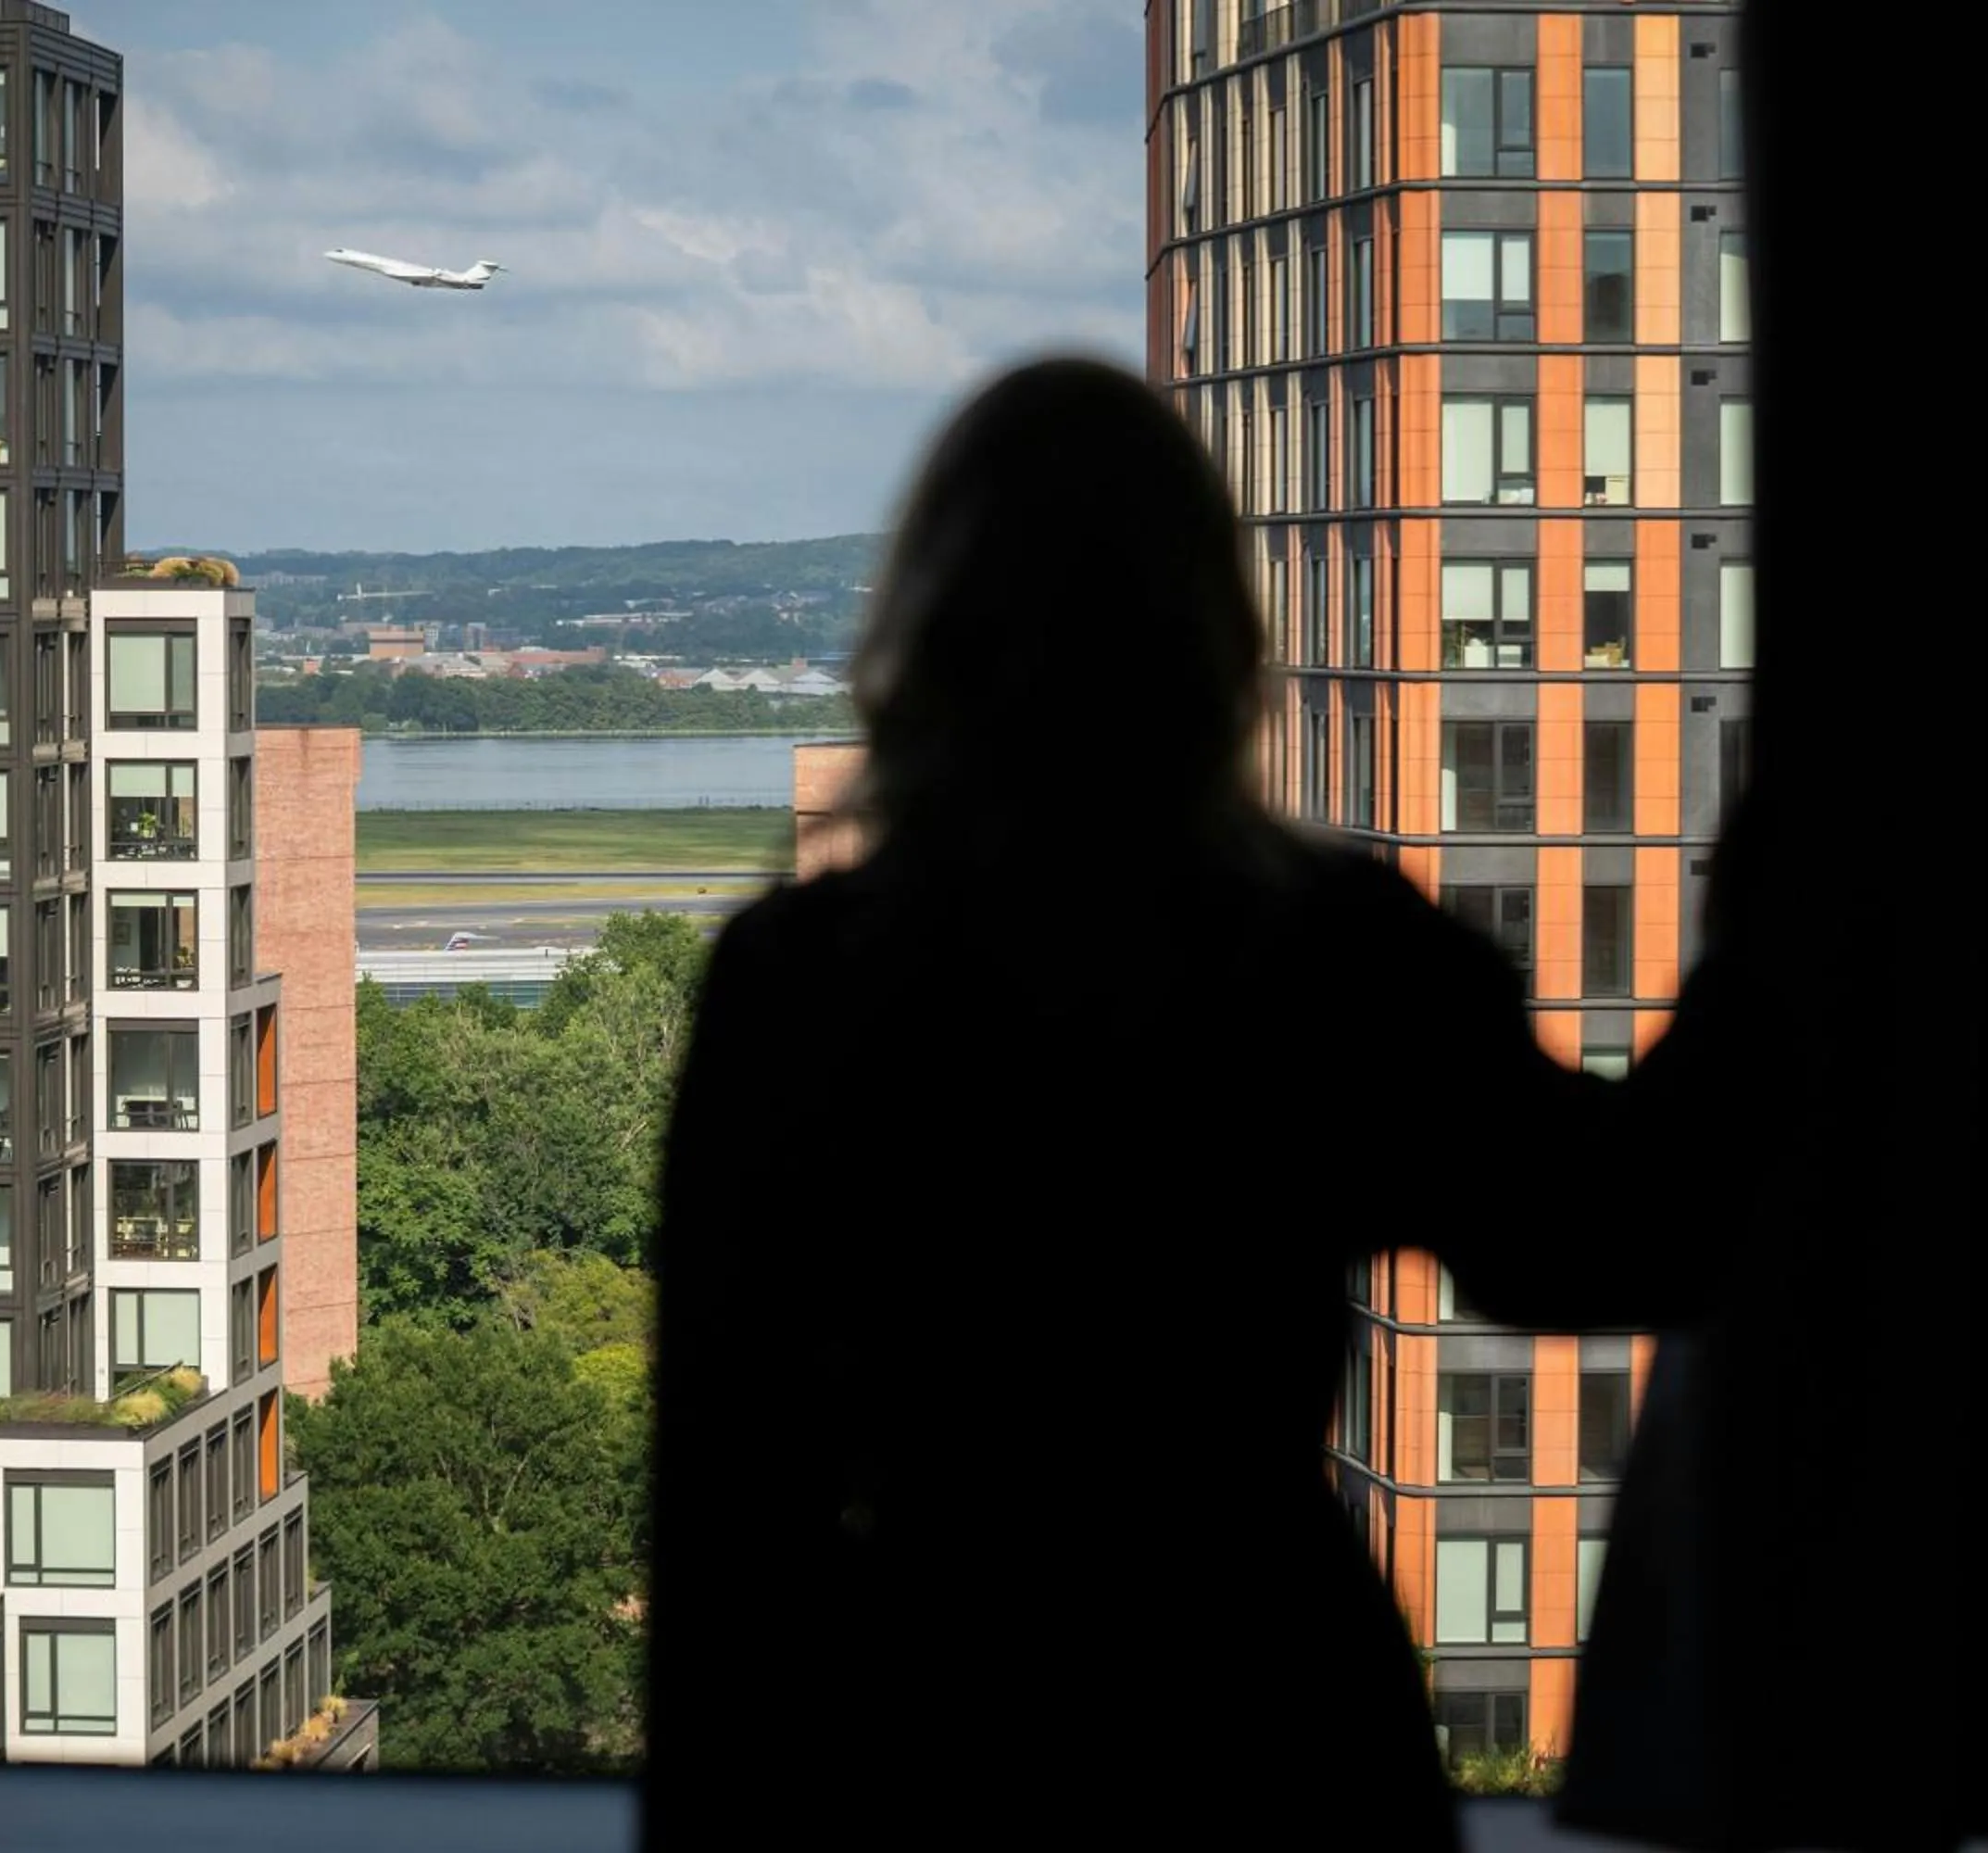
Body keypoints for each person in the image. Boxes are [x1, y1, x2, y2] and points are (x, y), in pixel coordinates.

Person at [641, 357, 1627, 1850]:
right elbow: (1594, 1240)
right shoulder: (1325, 950)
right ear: (1212, 640)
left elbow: (726, 1515)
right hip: (1271, 1721)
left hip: (921, 1726)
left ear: (931, 643)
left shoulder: (798, 981)